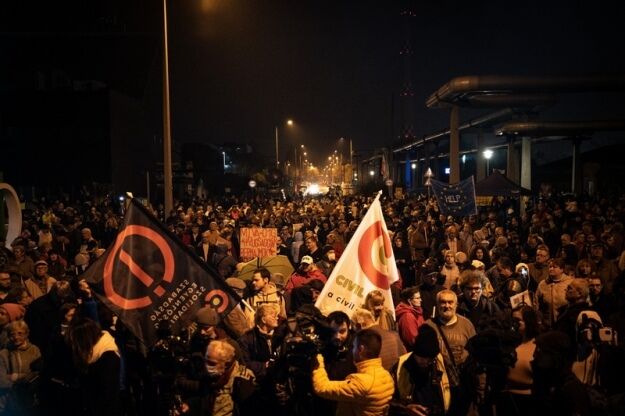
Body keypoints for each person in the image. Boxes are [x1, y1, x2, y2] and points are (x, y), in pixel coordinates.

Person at [312, 328, 395, 416]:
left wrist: (317, 359)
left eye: (354, 346)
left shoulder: (361, 383)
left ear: (361, 349)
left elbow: (321, 387)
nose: (352, 350)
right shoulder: (387, 376)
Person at [175, 340, 256, 416]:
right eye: (206, 361)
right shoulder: (214, 375)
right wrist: (189, 405)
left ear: (227, 364)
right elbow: (205, 399)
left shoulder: (241, 381)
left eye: (212, 363)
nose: (207, 366)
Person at [65, 317, 121, 416]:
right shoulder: (90, 353)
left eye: (76, 340)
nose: (74, 345)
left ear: (84, 338)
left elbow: (108, 394)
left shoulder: (108, 357)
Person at [391, 324, 451, 416]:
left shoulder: (442, 362)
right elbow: (388, 400)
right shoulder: (401, 366)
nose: (426, 362)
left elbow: (456, 392)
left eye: (430, 359)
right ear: (415, 353)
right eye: (422, 358)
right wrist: (406, 408)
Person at [496, 306, 539, 416]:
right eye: (512, 320)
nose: (514, 324)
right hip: (506, 399)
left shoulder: (538, 345)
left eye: (518, 320)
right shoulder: (508, 342)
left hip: (528, 402)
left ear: (528, 321)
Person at [0, 320, 42, 414]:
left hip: (29, 400)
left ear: (27, 334)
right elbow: (1, 380)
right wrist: (25, 377)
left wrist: (14, 376)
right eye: (12, 334)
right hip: (8, 402)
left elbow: (38, 374)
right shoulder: (3, 354)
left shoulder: (34, 350)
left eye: (20, 333)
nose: (16, 337)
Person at [535, 258, 573, 330]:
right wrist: (539, 321)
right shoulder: (543, 284)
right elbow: (536, 304)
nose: (551, 269)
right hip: (547, 325)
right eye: (550, 267)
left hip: (565, 324)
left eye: (554, 267)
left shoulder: (570, 282)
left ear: (562, 269)